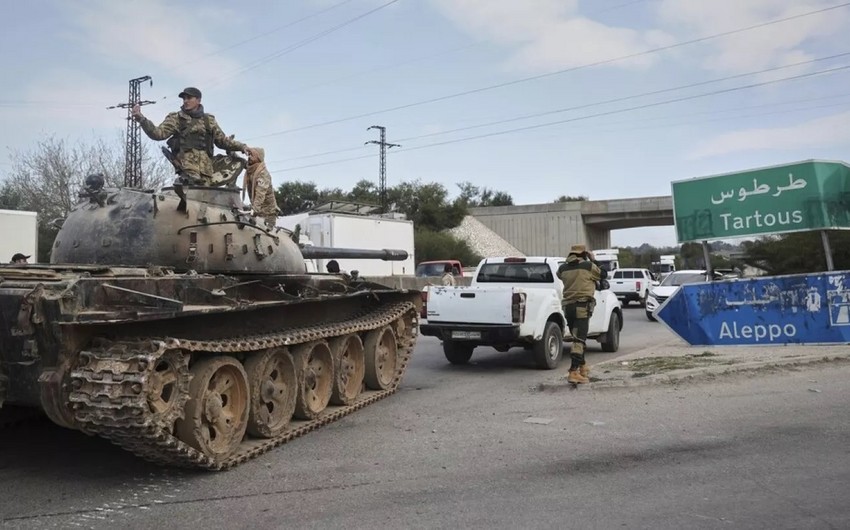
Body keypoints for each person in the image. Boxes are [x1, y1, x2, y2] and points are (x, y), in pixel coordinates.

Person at [132, 87, 253, 186]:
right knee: (192, 198)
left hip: (207, 169)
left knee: (238, 162)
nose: (185, 101)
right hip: (188, 168)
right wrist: (141, 119)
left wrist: (243, 147)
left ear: (198, 100)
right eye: (184, 98)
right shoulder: (176, 118)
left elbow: (222, 141)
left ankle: (231, 190)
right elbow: (158, 134)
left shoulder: (208, 120)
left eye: (189, 98)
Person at [557, 244, 607, 384]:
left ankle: (583, 367)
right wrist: (593, 259)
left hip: (568, 307)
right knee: (579, 339)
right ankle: (573, 372)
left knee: (577, 336)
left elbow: (560, 276)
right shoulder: (588, 266)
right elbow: (603, 274)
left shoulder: (562, 268)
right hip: (582, 306)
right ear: (584, 254)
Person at [243, 147, 281, 228]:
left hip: (267, 214)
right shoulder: (251, 168)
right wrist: (232, 153)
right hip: (258, 211)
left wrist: (255, 210)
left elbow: (260, 193)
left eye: (252, 155)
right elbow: (240, 162)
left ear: (258, 157)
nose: (249, 157)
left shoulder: (263, 174)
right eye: (249, 155)